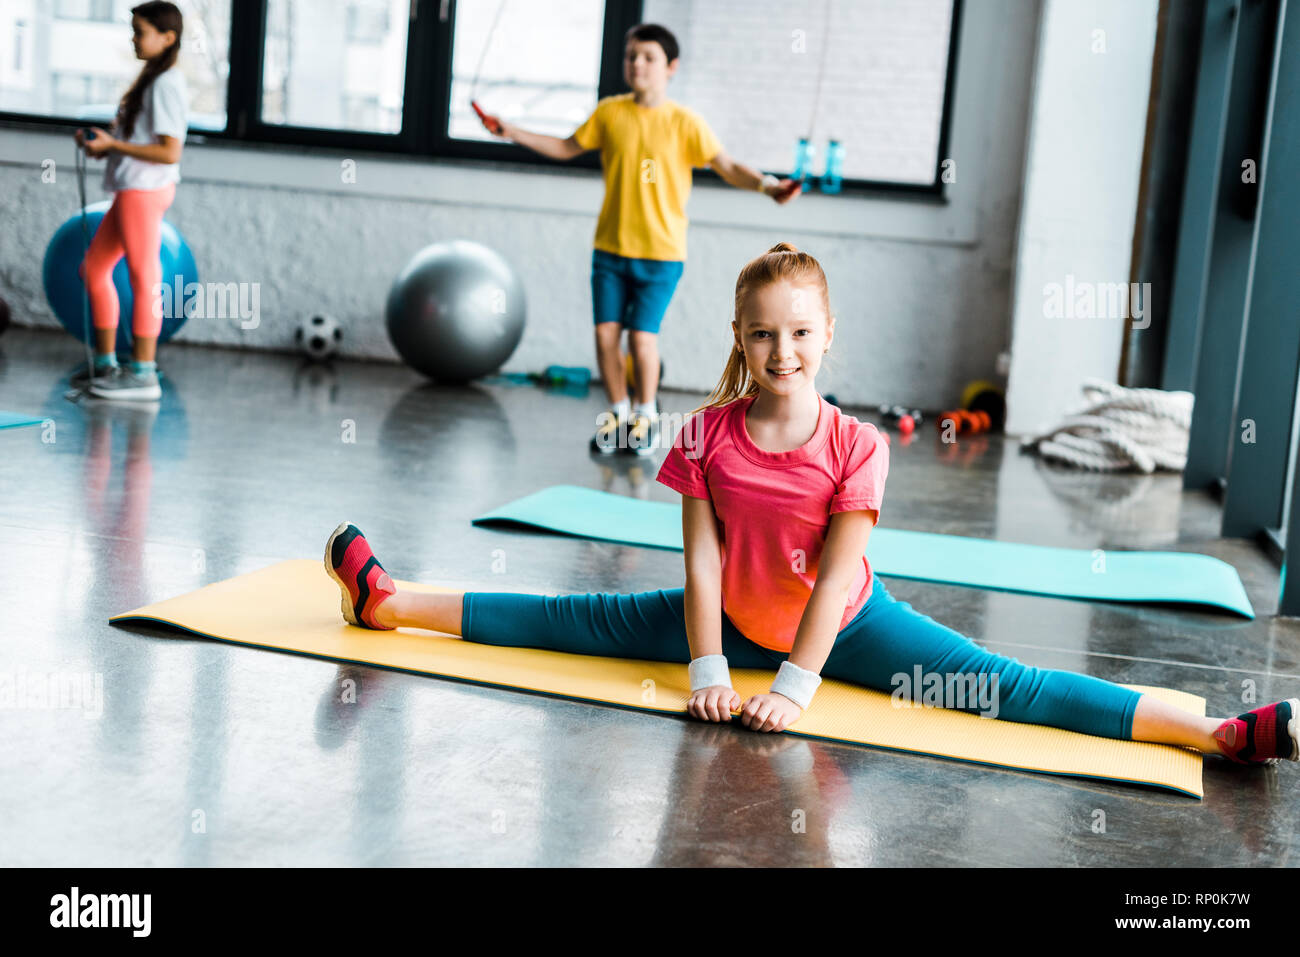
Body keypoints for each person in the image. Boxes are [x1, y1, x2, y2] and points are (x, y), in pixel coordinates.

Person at [325, 241, 1299, 765]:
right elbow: (700, 562)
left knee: (1006, 691)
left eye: (798, 333)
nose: (780, 353)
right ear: (741, 341)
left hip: (845, 630)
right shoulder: (707, 434)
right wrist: (708, 665)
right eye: (761, 336)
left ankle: (1210, 730)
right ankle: (386, 601)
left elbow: (836, 580)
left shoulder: (853, 445)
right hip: (725, 625)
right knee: (560, 620)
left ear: (825, 333)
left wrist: (794, 686)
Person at [474, 23, 801, 455]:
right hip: (610, 250)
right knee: (606, 336)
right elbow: (567, 146)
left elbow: (727, 165)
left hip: (661, 256)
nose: (637, 65)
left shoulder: (685, 123)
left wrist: (768, 186)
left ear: (671, 67)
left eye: (647, 57)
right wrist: (511, 130)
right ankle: (617, 415)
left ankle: (646, 418)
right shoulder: (610, 113)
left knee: (641, 338)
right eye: (631, 57)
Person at [73, 1, 188, 403]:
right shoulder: (152, 79)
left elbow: (170, 153)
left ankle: (143, 375)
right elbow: (141, 142)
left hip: (144, 192)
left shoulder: (167, 84)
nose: (134, 38)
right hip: (132, 189)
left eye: (140, 31)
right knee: (93, 269)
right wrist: (106, 146)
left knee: (144, 279)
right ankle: (106, 365)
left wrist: (115, 144)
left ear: (167, 37)